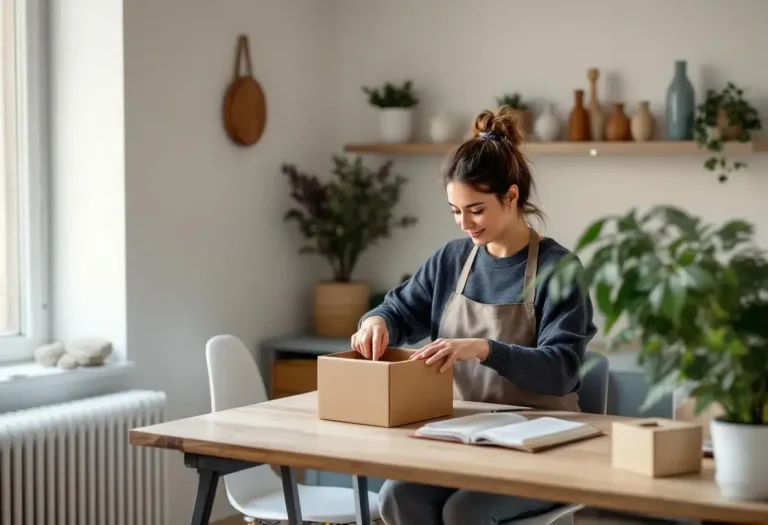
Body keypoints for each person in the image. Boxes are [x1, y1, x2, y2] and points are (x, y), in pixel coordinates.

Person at [350, 106, 598, 525]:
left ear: (512, 196)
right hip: (465, 439)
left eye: (476, 210)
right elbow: (398, 308)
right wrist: (375, 322)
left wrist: (485, 349)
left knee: (464, 511)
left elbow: (563, 370)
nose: (464, 223)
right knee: (397, 497)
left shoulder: (559, 270)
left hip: (540, 447)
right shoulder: (451, 260)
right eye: (455, 211)